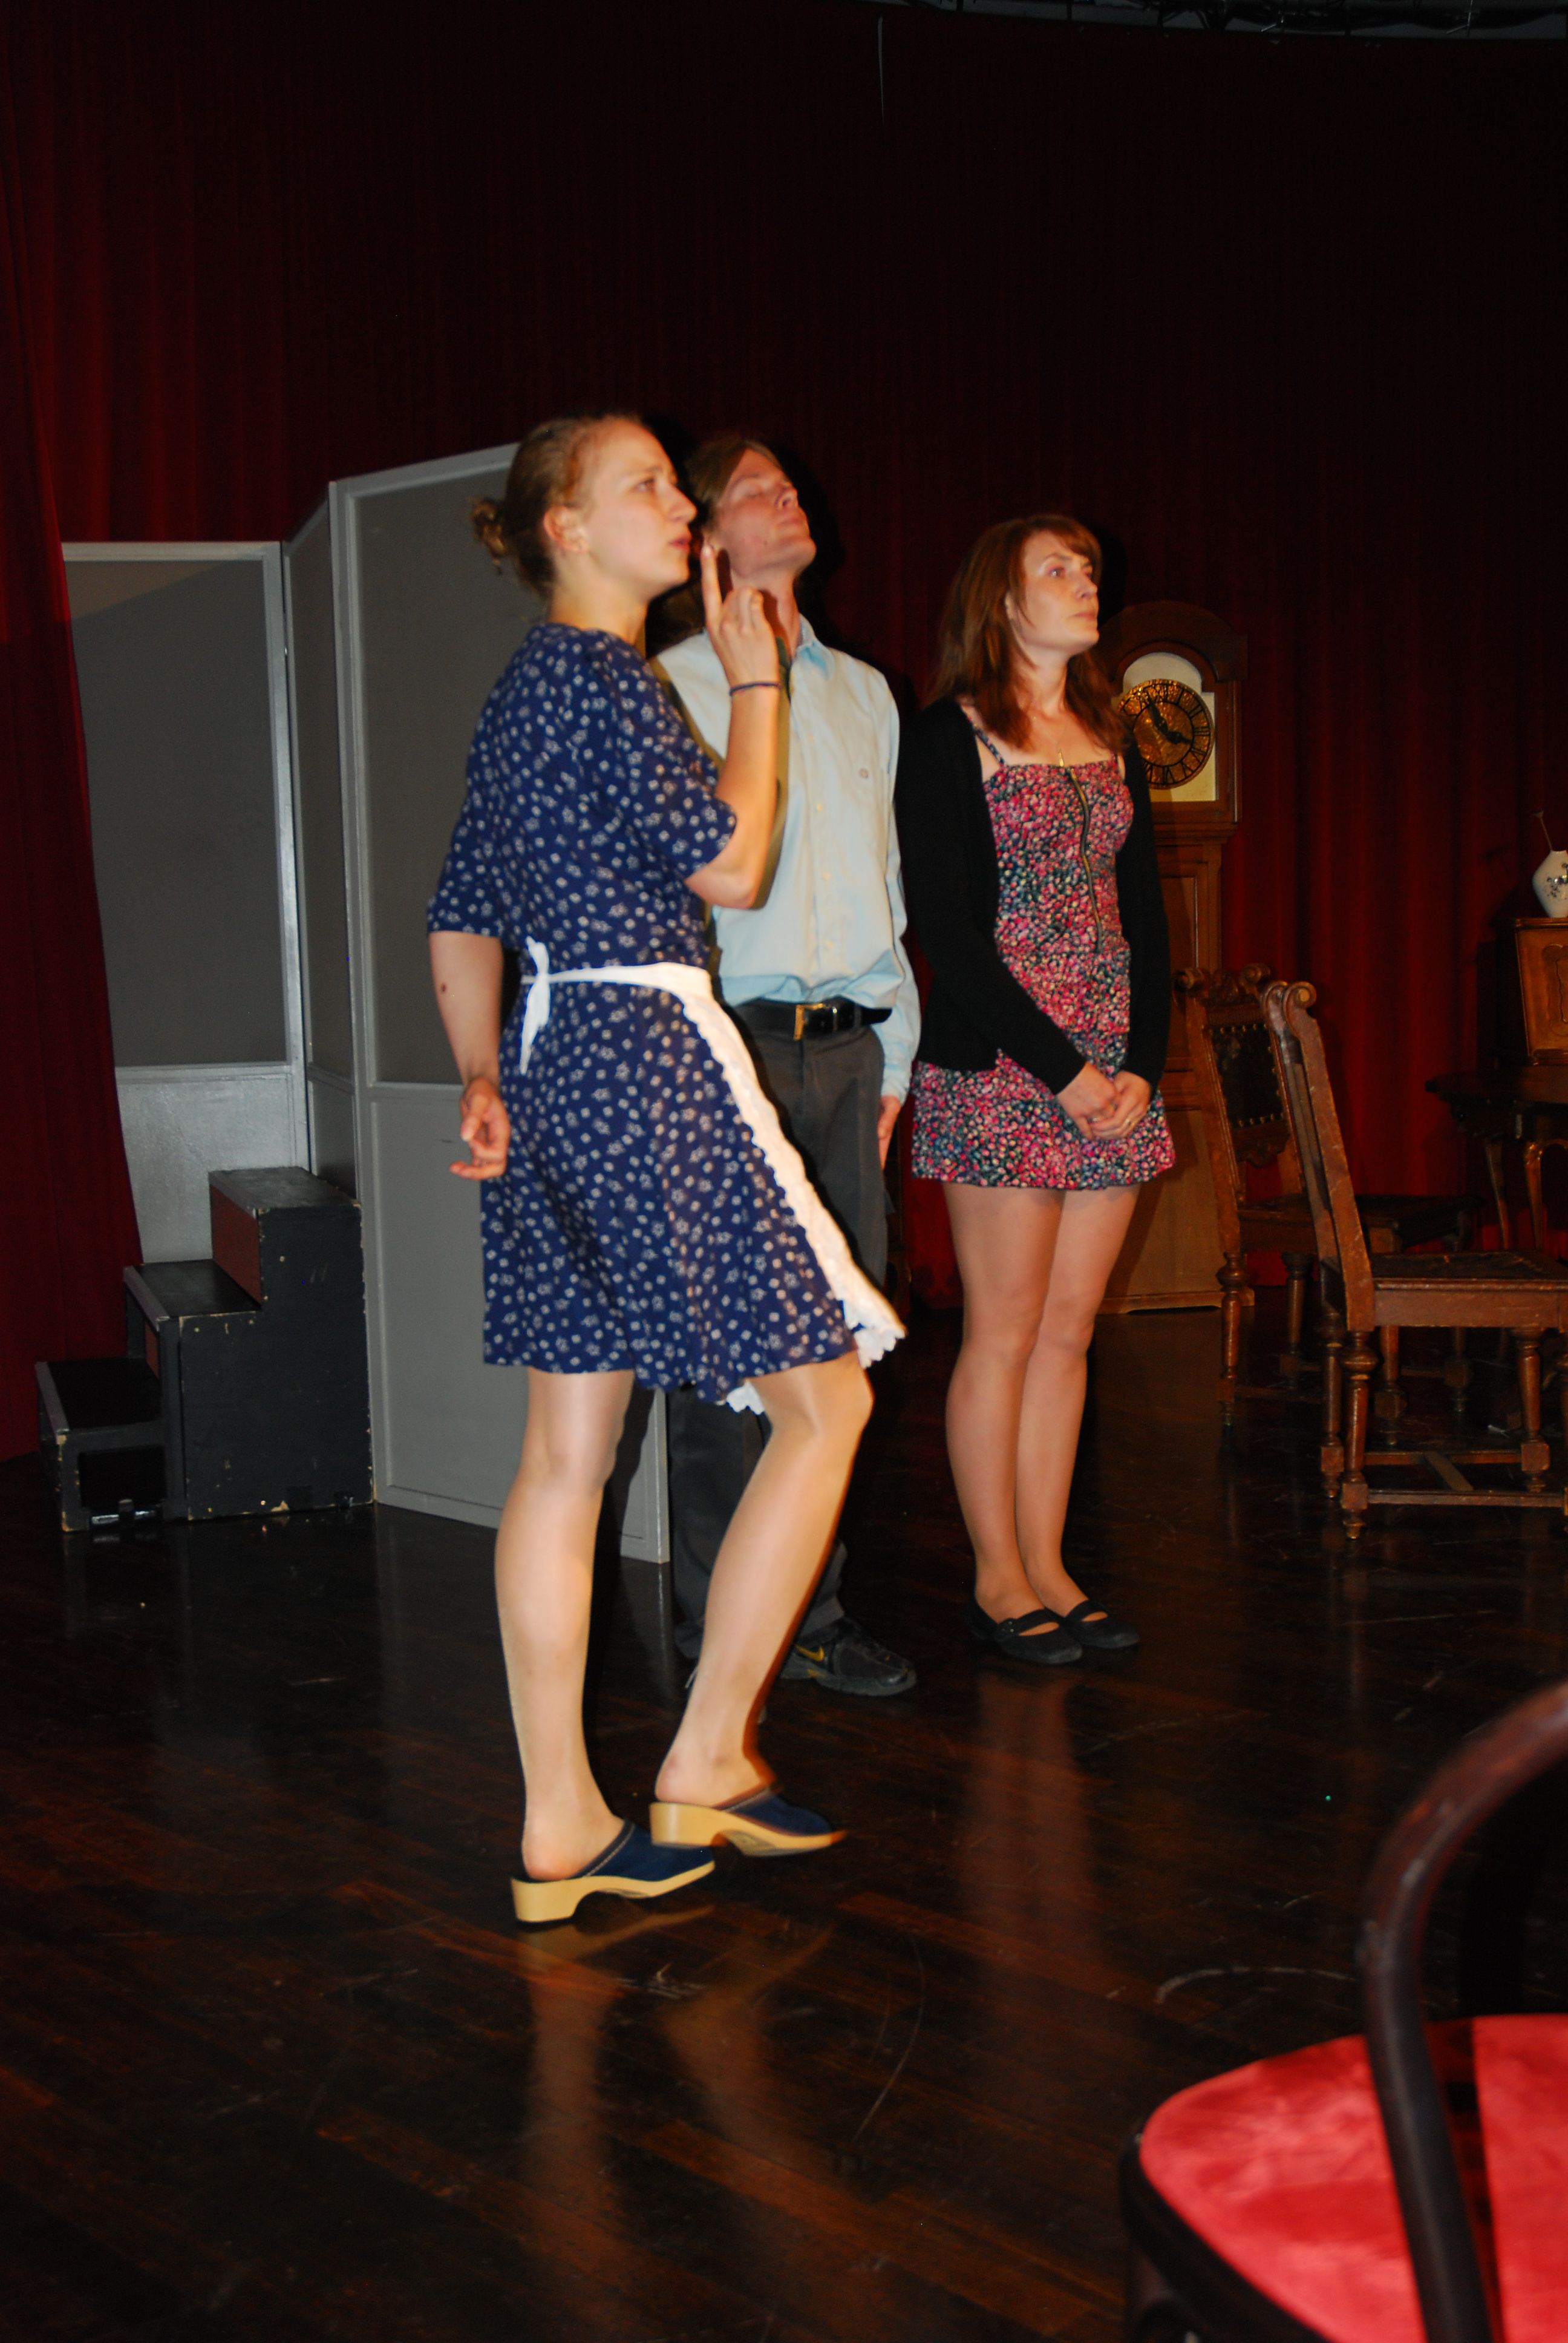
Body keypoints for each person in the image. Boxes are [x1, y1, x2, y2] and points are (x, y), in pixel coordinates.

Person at [427, 413, 901, 1924]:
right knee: (828, 1403)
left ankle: (563, 1823)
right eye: (645, 484)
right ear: (564, 528)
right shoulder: (602, 674)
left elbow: (459, 913)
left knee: (565, 1461)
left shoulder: (523, 691)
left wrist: (484, 1074)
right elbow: (736, 867)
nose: (678, 503)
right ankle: (705, 1757)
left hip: (557, 1057)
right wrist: (755, 681)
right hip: (644, 1052)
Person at [653, 435, 921, 1699]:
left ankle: (812, 1609)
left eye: (791, 484)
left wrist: (896, 1056)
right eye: (760, 489)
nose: (791, 496)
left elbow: (886, 890)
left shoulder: (865, 693)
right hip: (732, 1048)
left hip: (850, 1052)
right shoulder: (665, 685)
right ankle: (724, 1629)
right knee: (733, 1364)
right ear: (705, 534)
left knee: (834, 1358)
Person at [895, 514, 1172, 1668]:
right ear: (1001, 603)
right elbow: (949, 933)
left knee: (1068, 1334)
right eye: (1056, 570)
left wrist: (1141, 1064)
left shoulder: (1112, 736)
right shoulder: (946, 736)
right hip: (1008, 1068)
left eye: (1088, 568)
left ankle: (1051, 1565)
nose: (1083, 583)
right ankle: (997, 1576)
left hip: (1112, 1075)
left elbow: (1146, 917)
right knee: (1004, 1334)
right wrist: (1066, 1073)